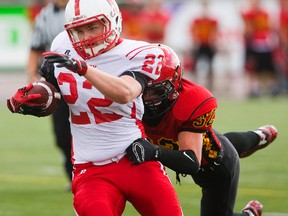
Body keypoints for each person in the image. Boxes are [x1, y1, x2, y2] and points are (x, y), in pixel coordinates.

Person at [7, 0, 183, 215]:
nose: (85, 37)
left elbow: (125, 93)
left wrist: (84, 69)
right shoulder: (62, 45)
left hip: (136, 159)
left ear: (113, 21)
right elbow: (53, 86)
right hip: (90, 169)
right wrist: (35, 94)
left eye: (92, 28)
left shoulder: (138, 54)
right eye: (78, 30)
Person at [125, 45, 278, 216]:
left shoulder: (190, 101)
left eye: (157, 91)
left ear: (174, 85)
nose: (148, 98)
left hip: (215, 168)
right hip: (205, 144)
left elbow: (191, 162)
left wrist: (154, 152)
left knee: (221, 149)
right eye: (144, 90)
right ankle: (258, 136)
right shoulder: (130, 98)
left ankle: (249, 214)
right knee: (216, 139)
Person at [26, 0, 73, 187]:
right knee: (61, 132)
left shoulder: (83, 8)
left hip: (84, 78)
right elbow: (35, 46)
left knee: (87, 127)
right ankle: (73, 174)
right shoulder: (45, 15)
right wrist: (31, 75)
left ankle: (86, 175)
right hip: (55, 81)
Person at [241, 0, 278, 97]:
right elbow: (248, 29)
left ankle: (270, 88)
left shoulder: (265, 14)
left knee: (268, 68)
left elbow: (270, 26)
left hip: (265, 44)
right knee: (255, 69)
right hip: (255, 44)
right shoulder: (250, 14)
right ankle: (255, 89)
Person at [189, 0, 219, 91]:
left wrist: (214, 43)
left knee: (210, 65)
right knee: (195, 65)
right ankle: (195, 83)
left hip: (208, 43)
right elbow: (193, 32)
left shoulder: (212, 20)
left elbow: (215, 33)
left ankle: (211, 85)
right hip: (200, 43)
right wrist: (194, 43)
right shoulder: (197, 20)